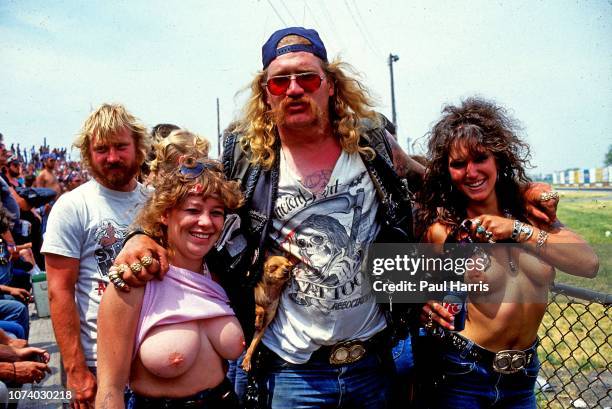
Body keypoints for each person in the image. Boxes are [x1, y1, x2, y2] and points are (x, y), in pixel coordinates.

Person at [113, 28, 558, 408]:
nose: (294, 89)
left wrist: (517, 190)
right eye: (279, 82)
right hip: (293, 373)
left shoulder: (371, 143)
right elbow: (183, 200)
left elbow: (436, 185)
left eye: (307, 77)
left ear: (330, 85)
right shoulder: (245, 155)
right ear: (264, 94)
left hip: (373, 363)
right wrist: (138, 235)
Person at [417, 97, 598, 408]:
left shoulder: (532, 216)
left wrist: (515, 231)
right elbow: (402, 281)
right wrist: (422, 301)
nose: (471, 172)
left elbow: (589, 264)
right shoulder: (445, 229)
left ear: (497, 159)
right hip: (463, 376)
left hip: (523, 380)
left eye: (480, 158)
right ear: (448, 172)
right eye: (458, 164)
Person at [96, 144, 244, 408]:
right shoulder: (134, 280)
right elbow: (110, 389)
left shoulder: (222, 274)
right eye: (193, 210)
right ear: (165, 214)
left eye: (217, 212)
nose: (206, 222)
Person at [42, 103, 149, 408]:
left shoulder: (155, 202)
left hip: (151, 358)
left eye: (120, 146)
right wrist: (75, 370)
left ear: (138, 147)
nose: (112, 157)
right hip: (96, 362)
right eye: (102, 149)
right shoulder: (73, 206)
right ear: (88, 153)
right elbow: (58, 291)